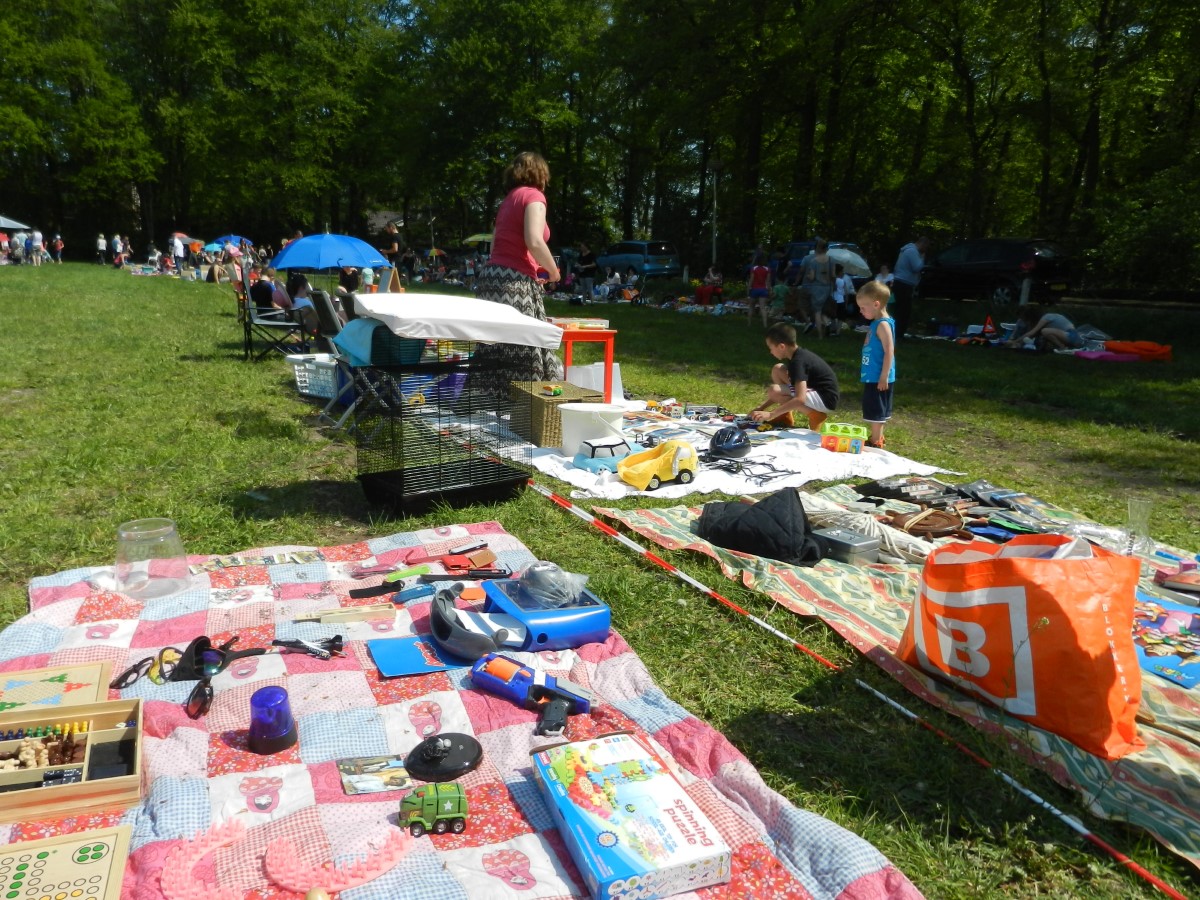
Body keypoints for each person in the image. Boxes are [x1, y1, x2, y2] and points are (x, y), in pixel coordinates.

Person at [475, 151, 563, 393]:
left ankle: (488, 400)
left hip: (492, 279)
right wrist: (553, 272)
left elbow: (496, 245)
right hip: (513, 282)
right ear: (540, 174)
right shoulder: (534, 197)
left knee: (493, 344)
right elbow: (534, 240)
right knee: (524, 346)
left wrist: (532, 268)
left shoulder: (508, 201)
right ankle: (524, 406)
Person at [750, 322, 840, 431]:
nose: (770, 352)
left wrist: (771, 414)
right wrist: (762, 408)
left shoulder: (798, 362)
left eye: (771, 348)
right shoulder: (796, 355)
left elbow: (800, 398)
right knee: (778, 369)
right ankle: (785, 416)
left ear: (782, 346)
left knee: (774, 390)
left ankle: (815, 415)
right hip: (818, 392)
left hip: (825, 399)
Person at [856, 280, 896, 449]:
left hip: (878, 376)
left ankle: (876, 440)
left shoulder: (883, 325)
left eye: (863, 307)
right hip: (873, 375)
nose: (861, 311)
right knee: (876, 406)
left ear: (876, 304)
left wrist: (884, 376)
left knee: (875, 408)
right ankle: (878, 436)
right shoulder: (877, 323)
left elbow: (889, 351)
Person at [891, 235, 929, 341]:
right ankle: (898, 334)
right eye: (925, 247)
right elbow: (917, 267)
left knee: (901, 309)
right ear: (922, 244)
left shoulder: (906, 250)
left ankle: (897, 333)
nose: (925, 250)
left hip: (902, 282)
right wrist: (922, 257)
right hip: (904, 283)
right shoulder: (912, 252)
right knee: (903, 310)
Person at [1006, 305, 1084, 351]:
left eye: (1027, 320)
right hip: (1071, 337)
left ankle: (1062, 347)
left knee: (1045, 331)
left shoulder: (1046, 317)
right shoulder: (1047, 318)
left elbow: (1032, 332)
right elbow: (1032, 335)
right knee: (1044, 333)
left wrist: (1015, 341)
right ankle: (1063, 346)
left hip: (1073, 336)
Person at [800, 239, 836, 339]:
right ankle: (827, 323)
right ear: (826, 249)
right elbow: (833, 275)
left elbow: (811, 277)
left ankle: (820, 335)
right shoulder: (832, 260)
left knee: (817, 312)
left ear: (818, 248)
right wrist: (834, 284)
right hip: (827, 287)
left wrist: (808, 275)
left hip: (816, 288)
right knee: (824, 310)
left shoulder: (813, 261)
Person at [747, 254, 772, 327]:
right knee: (763, 307)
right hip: (763, 290)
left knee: (751, 306)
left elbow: (751, 279)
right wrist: (769, 290)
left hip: (754, 289)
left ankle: (749, 323)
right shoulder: (767, 269)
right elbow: (768, 281)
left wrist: (748, 288)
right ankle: (765, 324)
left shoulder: (754, 268)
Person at [832, 264, 856, 335]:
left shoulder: (832, 281)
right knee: (840, 317)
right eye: (842, 271)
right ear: (839, 272)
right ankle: (838, 332)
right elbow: (846, 293)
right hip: (841, 301)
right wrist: (846, 303)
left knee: (833, 315)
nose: (843, 272)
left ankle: (833, 329)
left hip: (833, 300)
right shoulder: (842, 281)